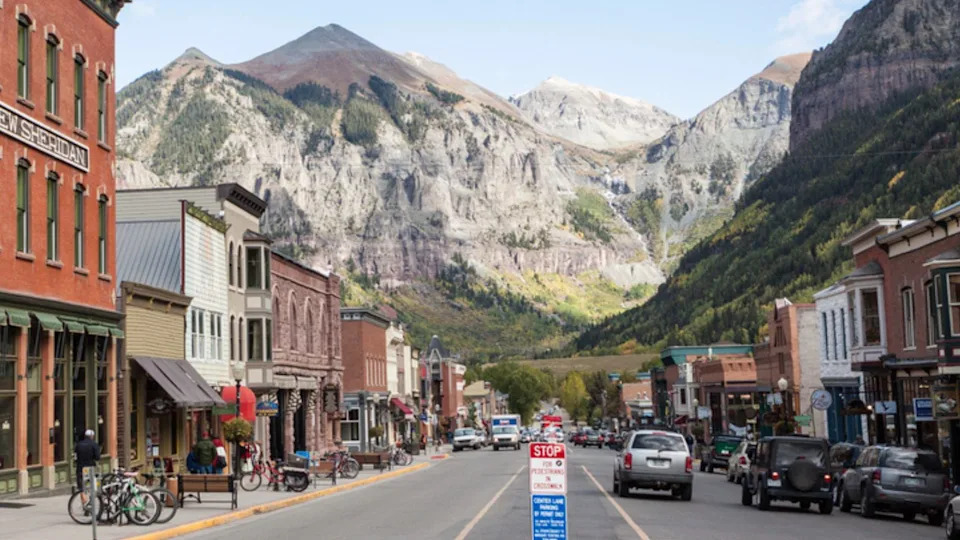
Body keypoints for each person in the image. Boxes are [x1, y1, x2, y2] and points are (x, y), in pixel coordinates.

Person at [75, 430, 101, 503]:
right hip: (91, 468)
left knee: (81, 486)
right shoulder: (94, 444)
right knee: (93, 484)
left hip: (80, 468)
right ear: (92, 436)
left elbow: (75, 457)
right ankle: (91, 500)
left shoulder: (78, 445)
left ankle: (84, 500)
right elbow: (97, 457)